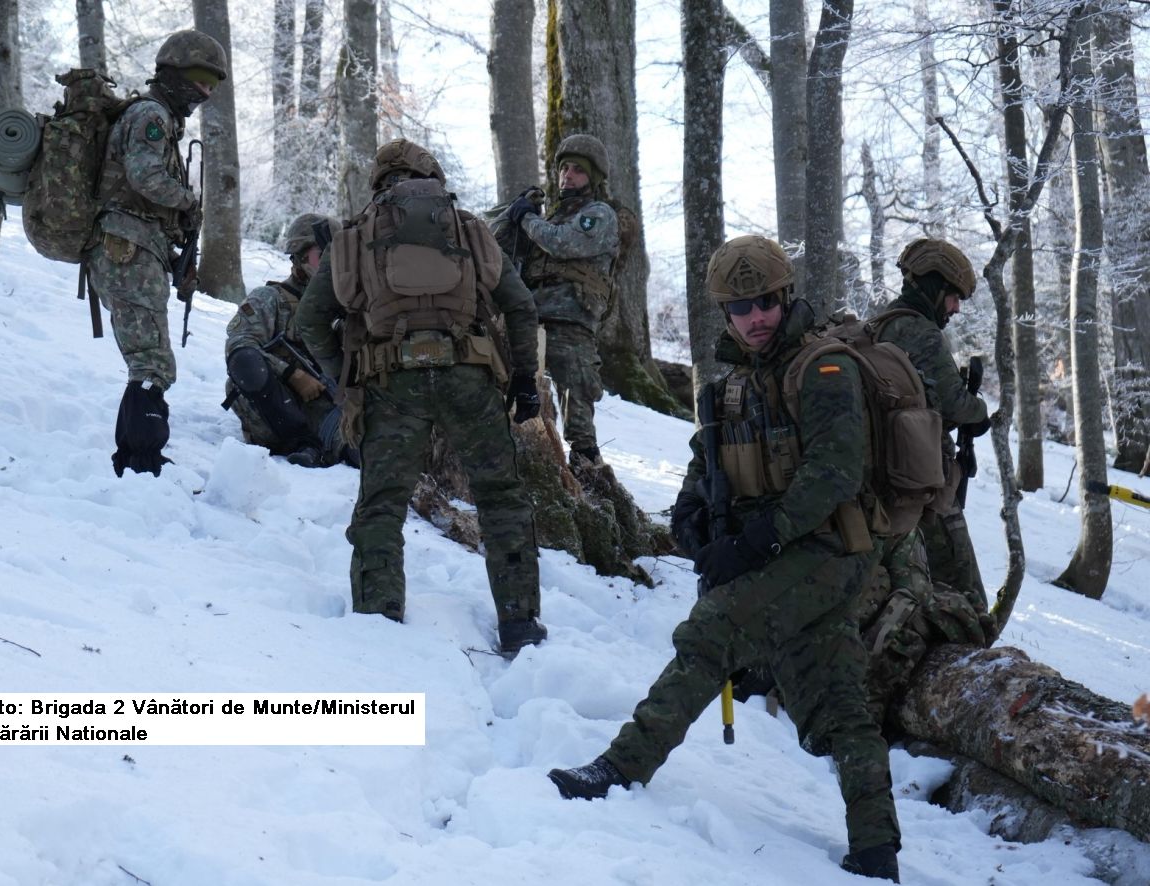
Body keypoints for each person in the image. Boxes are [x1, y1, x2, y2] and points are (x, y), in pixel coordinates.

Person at [548, 236, 902, 882]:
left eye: (765, 302)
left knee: (712, 633)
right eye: (740, 308)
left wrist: (758, 541)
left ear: (785, 297)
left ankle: (621, 767)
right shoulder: (734, 385)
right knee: (835, 700)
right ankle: (877, 848)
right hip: (780, 556)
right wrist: (691, 523)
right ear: (725, 314)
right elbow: (706, 467)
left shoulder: (825, 369)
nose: (755, 317)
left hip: (830, 547)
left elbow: (835, 473)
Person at [295, 138, 547, 655]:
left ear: (378, 183)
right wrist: (523, 378)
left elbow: (310, 320)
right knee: (501, 498)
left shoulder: (355, 235)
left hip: (391, 383)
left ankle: (379, 618)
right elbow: (520, 306)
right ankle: (519, 625)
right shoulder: (468, 227)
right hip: (469, 378)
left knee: (382, 505)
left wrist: (346, 382)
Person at [86, 29, 226, 477]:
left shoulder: (160, 117)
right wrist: (188, 202)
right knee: (151, 359)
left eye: (214, 82)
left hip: (137, 246)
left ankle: (135, 455)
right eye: (201, 77)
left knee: (151, 358)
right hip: (128, 246)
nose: (206, 90)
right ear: (175, 71)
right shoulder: (151, 114)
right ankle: (142, 462)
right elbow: (145, 178)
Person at [872, 239, 991, 621]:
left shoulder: (878, 325)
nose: (955, 308)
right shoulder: (921, 333)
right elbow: (956, 403)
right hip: (924, 488)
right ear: (933, 287)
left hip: (888, 488)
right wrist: (980, 412)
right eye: (953, 297)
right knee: (967, 597)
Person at [502, 133, 620, 468]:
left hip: (572, 319)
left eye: (577, 170)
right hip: (532, 317)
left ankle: (586, 465)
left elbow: (562, 244)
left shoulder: (598, 215)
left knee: (577, 397)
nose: (567, 175)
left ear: (592, 178)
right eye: (564, 168)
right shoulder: (550, 215)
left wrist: (525, 217)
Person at [223, 213, 357, 469]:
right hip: (280, 404)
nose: (331, 264)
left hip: (335, 403)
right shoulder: (270, 299)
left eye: (336, 256)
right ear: (299, 257)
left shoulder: (348, 306)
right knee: (246, 364)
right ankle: (302, 443)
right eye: (323, 255)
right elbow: (239, 347)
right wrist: (293, 375)